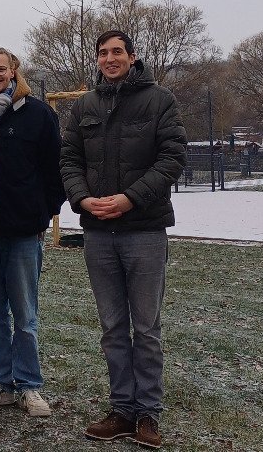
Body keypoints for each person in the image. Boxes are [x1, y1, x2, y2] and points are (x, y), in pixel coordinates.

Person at [60, 30, 187, 449]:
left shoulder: (160, 101)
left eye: (118, 52)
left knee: (146, 329)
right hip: (98, 235)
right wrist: (81, 199)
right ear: (97, 59)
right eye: (103, 53)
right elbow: (69, 159)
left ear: (133, 57)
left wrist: (130, 199)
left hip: (145, 232)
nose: (110, 59)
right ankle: (121, 411)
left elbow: (172, 158)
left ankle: (148, 415)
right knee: (113, 328)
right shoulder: (85, 106)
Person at [0, 47, 66, 416]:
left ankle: (30, 384)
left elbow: (57, 168)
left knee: (25, 315)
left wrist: (45, 213)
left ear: (13, 70)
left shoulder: (37, 113)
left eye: (0, 69)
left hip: (24, 231)